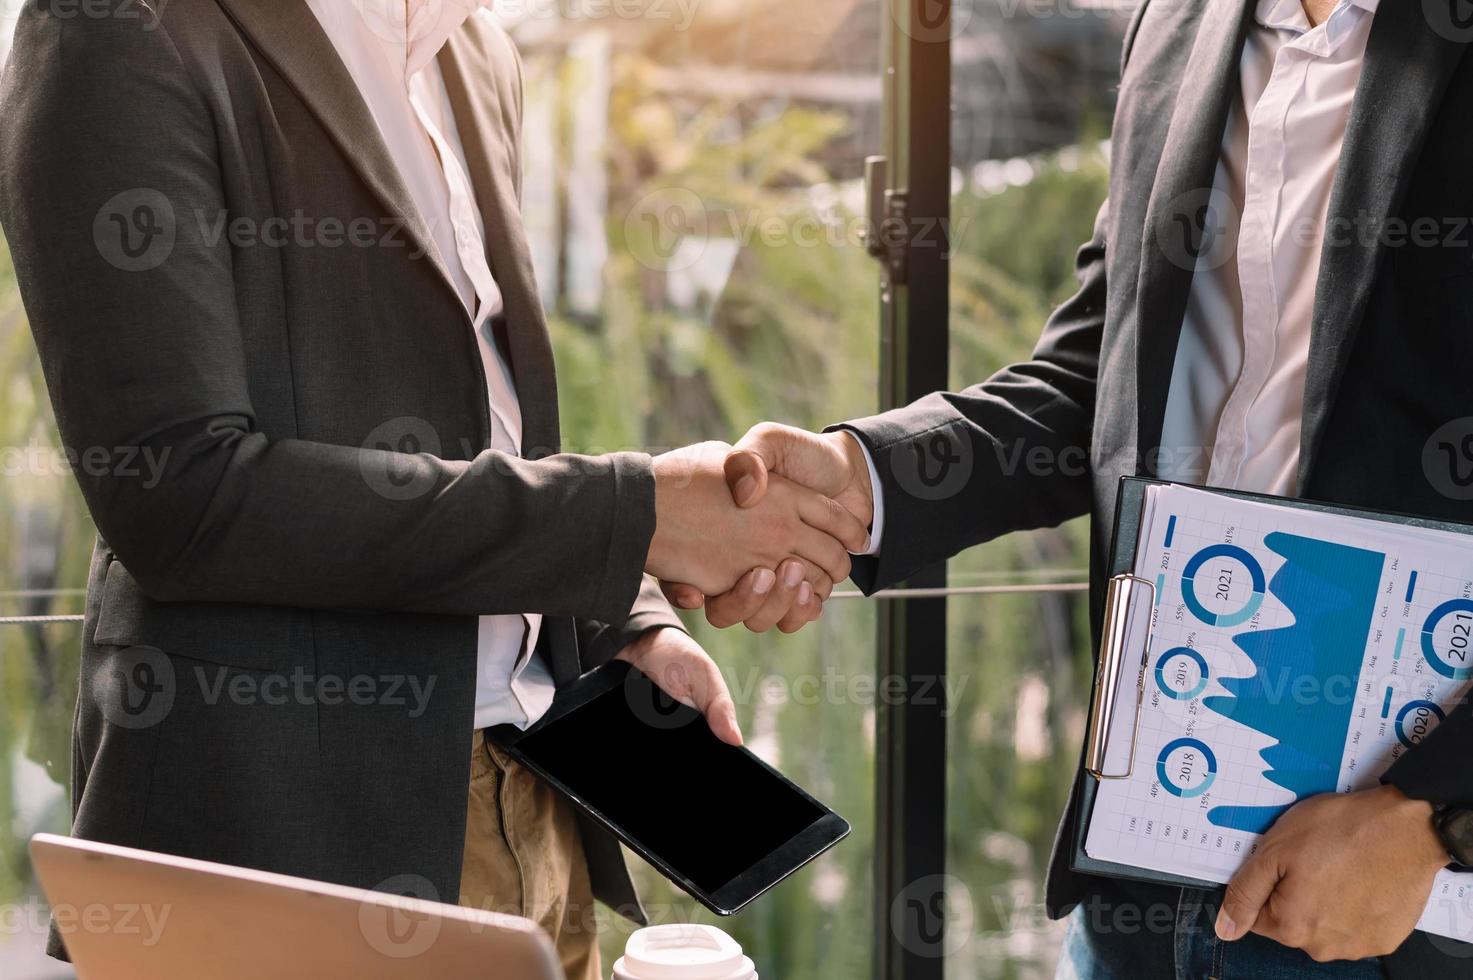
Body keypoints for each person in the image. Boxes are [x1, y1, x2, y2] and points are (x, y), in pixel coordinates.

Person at [0, 2, 855, 977]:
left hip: (539, 807)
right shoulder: (120, 24)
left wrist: (628, 618)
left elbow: (485, 422)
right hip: (286, 846)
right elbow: (180, 491)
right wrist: (634, 513)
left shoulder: (474, 48)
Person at [663, 0, 1473, 976]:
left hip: (1388, 903)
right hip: (1139, 870)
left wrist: (1435, 818)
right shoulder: (1179, 25)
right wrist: (856, 477)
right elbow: (1099, 375)